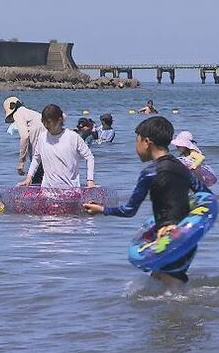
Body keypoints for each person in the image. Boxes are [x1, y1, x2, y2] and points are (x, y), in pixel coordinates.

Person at [83, 116, 209, 287]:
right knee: (161, 285)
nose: (136, 148)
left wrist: (101, 209)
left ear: (147, 142)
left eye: (137, 142)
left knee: (173, 297)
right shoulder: (182, 167)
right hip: (186, 238)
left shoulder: (150, 173)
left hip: (169, 239)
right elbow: (205, 196)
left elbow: (129, 210)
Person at [19, 104, 96, 189]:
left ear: (60, 120)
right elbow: (36, 159)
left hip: (70, 189)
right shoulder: (42, 137)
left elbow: (89, 157)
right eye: (44, 122)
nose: (46, 125)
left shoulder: (73, 137)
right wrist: (29, 177)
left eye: (49, 122)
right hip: (47, 190)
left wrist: (90, 181)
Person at [4, 96, 44, 184]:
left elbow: (25, 136)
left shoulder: (18, 114)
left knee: (35, 184)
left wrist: (21, 162)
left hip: (40, 156)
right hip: (50, 152)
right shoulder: (34, 114)